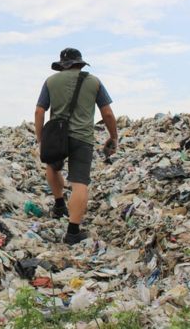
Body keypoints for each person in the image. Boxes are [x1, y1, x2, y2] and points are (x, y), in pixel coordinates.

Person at [35, 48, 118, 245]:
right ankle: (73, 232)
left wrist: (41, 138)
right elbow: (106, 113)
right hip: (82, 138)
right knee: (79, 183)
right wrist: (113, 136)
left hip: (57, 135)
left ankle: (59, 203)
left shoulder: (50, 82)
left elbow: (40, 111)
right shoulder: (94, 82)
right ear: (80, 64)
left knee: (52, 166)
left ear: (62, 65)